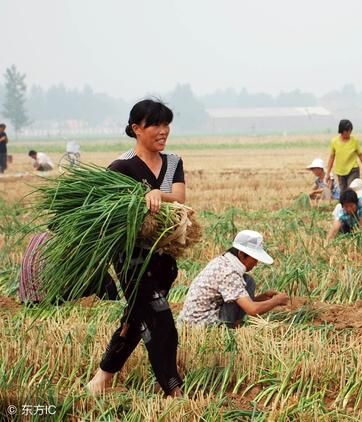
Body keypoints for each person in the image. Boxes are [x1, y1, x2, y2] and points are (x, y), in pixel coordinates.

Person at [88, 99, 185, 397]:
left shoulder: (173, 162)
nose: (163, 130)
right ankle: (173, 390)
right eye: (155, 124)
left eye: (166, 124)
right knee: (161, 322)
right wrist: (136, 203)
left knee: (136, 319)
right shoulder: (120, 167)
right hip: (132, 260)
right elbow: (107, 214)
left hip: (164, 260)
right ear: (136, 128)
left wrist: (157, 194)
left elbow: (179, 194)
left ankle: (101, 379)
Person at [178, 230, 289, 328]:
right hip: (200, 325)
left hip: (193, 320)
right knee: (248, 282)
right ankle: (232, 326)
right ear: (242, 254)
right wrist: (276, 301)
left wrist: (264, 298)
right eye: (254, 259)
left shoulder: (224, 262)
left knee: (247, 280)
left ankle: (234, 324)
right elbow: (252, 310)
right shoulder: (229, 273)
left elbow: (240, 302)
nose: (256, 264)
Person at [19, 232, 118, 303]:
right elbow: (87, 267)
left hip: (27, 298)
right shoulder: (65, 242)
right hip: (49, 299)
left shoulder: (38, 237)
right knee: (99, 274)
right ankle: (113, 302)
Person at [325, 119, 362, 193]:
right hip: (340, 172)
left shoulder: (354, 141)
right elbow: (331, 158)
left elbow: (361, 155)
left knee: (352, 190)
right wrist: (327, 173)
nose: (349, 133)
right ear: (342, 131)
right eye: (347, 131)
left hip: (353, 170)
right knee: (343, 192)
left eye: (350, 131)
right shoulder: (334, 142)